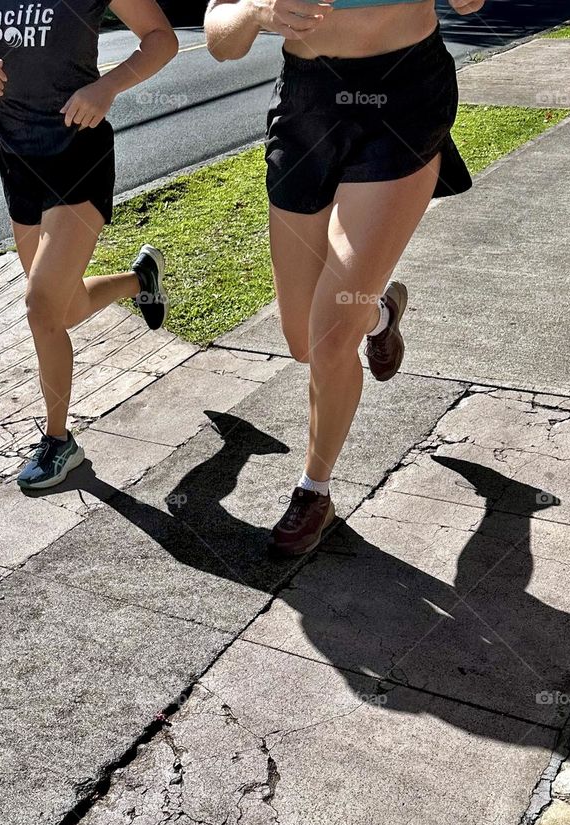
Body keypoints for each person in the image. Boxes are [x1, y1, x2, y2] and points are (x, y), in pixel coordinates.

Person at [204, 0, 485, 556]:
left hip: (403, 98)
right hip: (306, 105)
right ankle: (380, 314)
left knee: (331, 337)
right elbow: (219, 37)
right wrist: (260, 11)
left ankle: (315, 489)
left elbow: (470, 2)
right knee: (302, 341)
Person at [0, 0, 178, 489]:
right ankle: (142, 279)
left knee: (40, 305)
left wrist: (107, 86)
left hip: (78, 151)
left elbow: (162, 38)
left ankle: (59, 442)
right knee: (61, 308)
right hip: (15, 155)